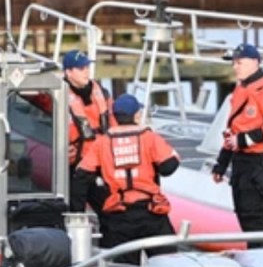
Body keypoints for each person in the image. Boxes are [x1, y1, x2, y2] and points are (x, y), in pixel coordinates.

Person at [70, 95, 181, 258]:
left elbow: (81, 178)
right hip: (151, 213)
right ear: (136, 115)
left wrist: (77, 214)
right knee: (169, 263)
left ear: (114, 116)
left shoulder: (102, 143)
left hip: (119, 216)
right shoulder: (149, 137)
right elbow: (168, 167)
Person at [211, 43, 263, 248]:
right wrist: (222, 163)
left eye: (240, 62)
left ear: (255, 62)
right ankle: (258, 258)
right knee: (245, 215)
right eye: (234, 63)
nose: (236, 67)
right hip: (242, 163)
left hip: (260, 163)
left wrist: (244, 140)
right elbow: (234, 128)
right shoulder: (241, 88)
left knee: (254, 217)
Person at [62, 49, 114, 212]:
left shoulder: (101, 92)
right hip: (76, 165)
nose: (86, 72)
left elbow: (113, 122)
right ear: (68, 72)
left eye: (87, 67)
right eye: (81, 68)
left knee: (108, 209)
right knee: (75, 210)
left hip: (101, 161)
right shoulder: (58, 95)